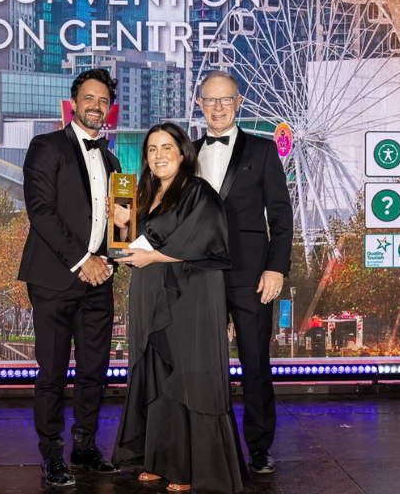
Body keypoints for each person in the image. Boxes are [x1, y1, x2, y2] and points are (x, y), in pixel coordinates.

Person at [111, 123, 247, 493]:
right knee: (156, 372)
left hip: (190, 294)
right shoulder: (144, 192)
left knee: (187, 372)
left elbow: (205, 240)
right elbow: (128, 244)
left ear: (183, 152)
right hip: (151, 291)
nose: (158, 156)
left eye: (166, 147)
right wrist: (121, 229)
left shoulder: (199, 192)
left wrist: (151, 255)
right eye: (151, 149)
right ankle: (159, 459)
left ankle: (191, 468)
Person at [18, 68, 122, 487]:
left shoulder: (114, 160)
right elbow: (40, 211)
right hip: (55, 279)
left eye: (103, 101)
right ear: (74, 103)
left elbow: (119, 223)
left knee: (95, 371)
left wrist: (113, 256)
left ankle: (84, 447)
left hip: (100, 279)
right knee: (53, 372)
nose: (96, 106)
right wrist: (84, 259)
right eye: (89, 98)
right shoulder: (46, 147)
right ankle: (51, 455)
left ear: (109, 109)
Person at [194, 71, 294, 474]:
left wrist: (276, 267)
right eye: (210, 100)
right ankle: (207, 444)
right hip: (199, 275)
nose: (217, 107)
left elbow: (282, 215)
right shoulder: (186, 152)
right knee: (202, 364)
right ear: (200, 105)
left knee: (256, 363)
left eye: (225, 100)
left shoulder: (264, 150)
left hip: (253, 275)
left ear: (239, 103)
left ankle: (259, 446)